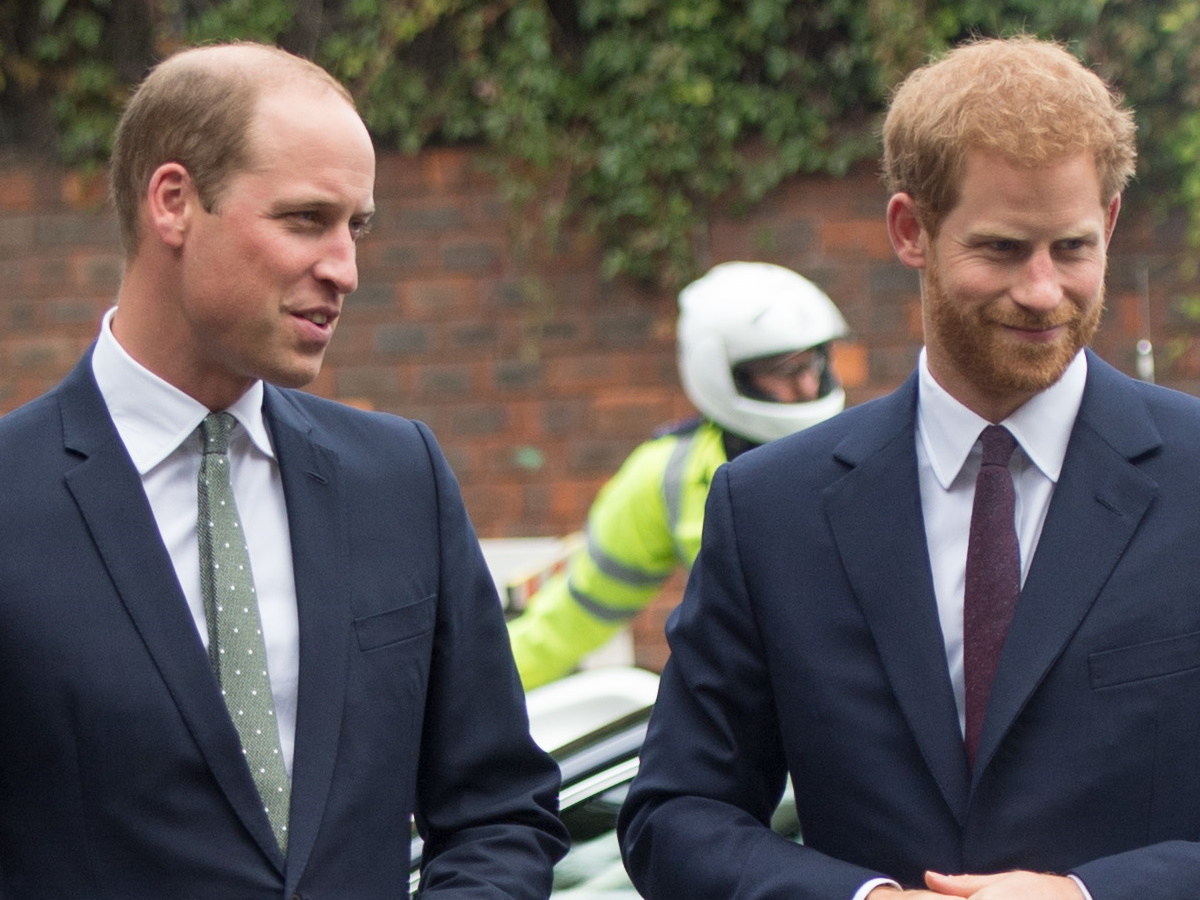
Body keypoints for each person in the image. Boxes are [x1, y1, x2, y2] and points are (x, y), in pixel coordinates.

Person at [619, 35, 1200, 900]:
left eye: (1073, 248)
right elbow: (675, 814)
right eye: (1002, 248)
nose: (1043, 291)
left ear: (1110, 223)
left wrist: (1086, 896)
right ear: (909, 230)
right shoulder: (772, 508)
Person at [0, 42, 567, 898]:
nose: (345, 268)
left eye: (356, 227)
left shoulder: (399, 478)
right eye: (306, 219)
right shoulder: (13, 496)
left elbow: (500, 809)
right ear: (174, 202)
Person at [508, 261, 849, 689]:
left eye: (813, 363)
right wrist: (471, 696)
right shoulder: (668, 476)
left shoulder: (867, 449)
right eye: (783, 370)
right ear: (721, 371)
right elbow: (571, 618)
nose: (807, 387)